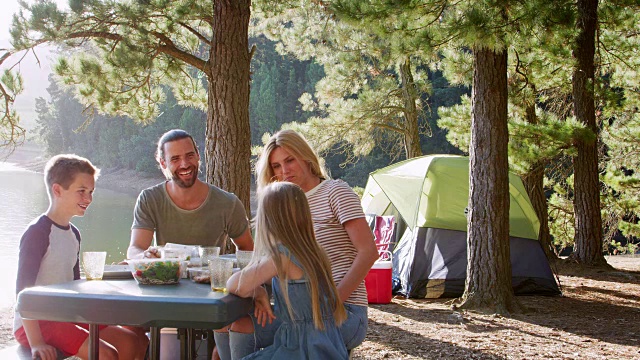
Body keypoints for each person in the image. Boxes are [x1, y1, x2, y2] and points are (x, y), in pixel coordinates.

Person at [214, 129, 378, 359]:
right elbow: (267, 264)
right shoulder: (280, 204)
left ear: (306, 156)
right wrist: (259, 290)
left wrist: (333, 301)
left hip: (343, 310)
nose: (284, 170)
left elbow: (368, 252)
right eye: (276, 166)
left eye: (290, 160)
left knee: (244, 326)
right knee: (226, 322)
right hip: (294, 313)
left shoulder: (335, 192)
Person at [14, 154, 148, 360]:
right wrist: (37, 342)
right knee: (106, 354)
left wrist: (111, 277)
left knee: (131, 341)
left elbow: (74, 286)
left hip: (65, 315)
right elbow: (22, 293)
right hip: (36, 322)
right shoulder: (37, 233)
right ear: (57, 190)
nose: (89, 198)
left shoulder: (74, 233)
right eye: (82, 191)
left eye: (91, 192)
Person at [227, 181, 348, 359]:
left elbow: (234, 285)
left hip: (300, 350)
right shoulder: (313, 252)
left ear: (268, 221)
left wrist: (259, 292)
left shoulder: (282, 257)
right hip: (325, 345)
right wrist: (260, 291)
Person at [127, 129, 253, 259]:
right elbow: (135, 248)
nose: (185, 164)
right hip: (165, 276)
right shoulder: (149, 199)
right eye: (175, 159)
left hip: (208, 278)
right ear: (163, 163)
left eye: (189, 155)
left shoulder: (228, 203)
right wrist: (144, 256)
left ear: (198, 155)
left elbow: (248, 249)